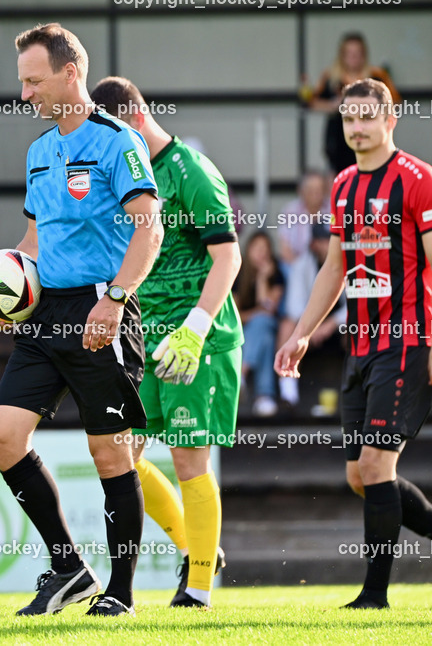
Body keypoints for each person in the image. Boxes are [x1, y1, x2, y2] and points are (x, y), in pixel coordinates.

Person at [0, 24, 163, 617]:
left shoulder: (116, 141)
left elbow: (147, 225)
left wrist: (116, 298)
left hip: (100, 310)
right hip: (45, 313)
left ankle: (122, 594)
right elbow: (33, 238)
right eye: (23, 81)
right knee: (3, 439)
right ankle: (68, 567)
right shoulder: (39, 150)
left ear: (69, 73)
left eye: (34, 80)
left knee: (111, 454)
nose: (25, 93)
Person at [276, 78, 432, 609]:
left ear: (392, 119)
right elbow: (334, 268)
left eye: (368, 117)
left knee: (374, 467)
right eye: (349, 119)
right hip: (359, 345)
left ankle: (374, 597)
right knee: (358, 475)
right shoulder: (343, 185)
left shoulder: (417, 180)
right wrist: (299, 333)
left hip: (408, 342)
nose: (357, 128)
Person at [90, 76, 242, 608]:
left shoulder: (190, 171)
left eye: (107, 132)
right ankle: (197, 550)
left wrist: (196, 328)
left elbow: (228, 256)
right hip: (142, 336)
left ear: (132, 119)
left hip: (195, 337)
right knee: (120, 454)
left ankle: (198, 590)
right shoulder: (125, 176)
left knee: (188, 460)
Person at [305, 32, 401, 174]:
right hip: (339, 140)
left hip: (372, 137)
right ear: (342, 55)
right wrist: (333, 106)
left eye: (357, 53)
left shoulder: (377, 76)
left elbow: (395, 102)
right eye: (349, 53)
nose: (353, 57)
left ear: (364, 54)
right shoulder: (331, 77)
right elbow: (311, 102)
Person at [276, 222, 345, 411]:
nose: (328, 244)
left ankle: (358, 388)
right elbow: (294, 306)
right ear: (314, 244)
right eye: (324, 240)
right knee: (286, 325)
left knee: (358, 325)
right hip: (310, 328)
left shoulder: (348, 261)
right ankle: (287, 392)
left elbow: (355, 306)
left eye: (330, 239)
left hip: (338, 327)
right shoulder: (301, 265)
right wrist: (309, 329)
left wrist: (331, 323)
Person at [233, 231, 284, 416]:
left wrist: (263, 279)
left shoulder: (275, 274)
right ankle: (264, 396)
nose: (262, 253)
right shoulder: (238, 273)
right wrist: (256, 315)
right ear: (249, 249)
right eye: (258, 248)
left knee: (264, 323)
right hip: (243, 330)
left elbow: (269, 308)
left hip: (269, 325)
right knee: (266, 337)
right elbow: (234, 315)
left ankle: (241, 374)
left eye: (266, 249)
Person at [277, 171, 329, 267]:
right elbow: (284, 249)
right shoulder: (290, 211)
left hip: (328, 266)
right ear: (301, 191)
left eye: (319, 189)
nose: (315, 194)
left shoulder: (333, 210)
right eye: (311, 190)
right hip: (294, 268)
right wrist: (300, 270)